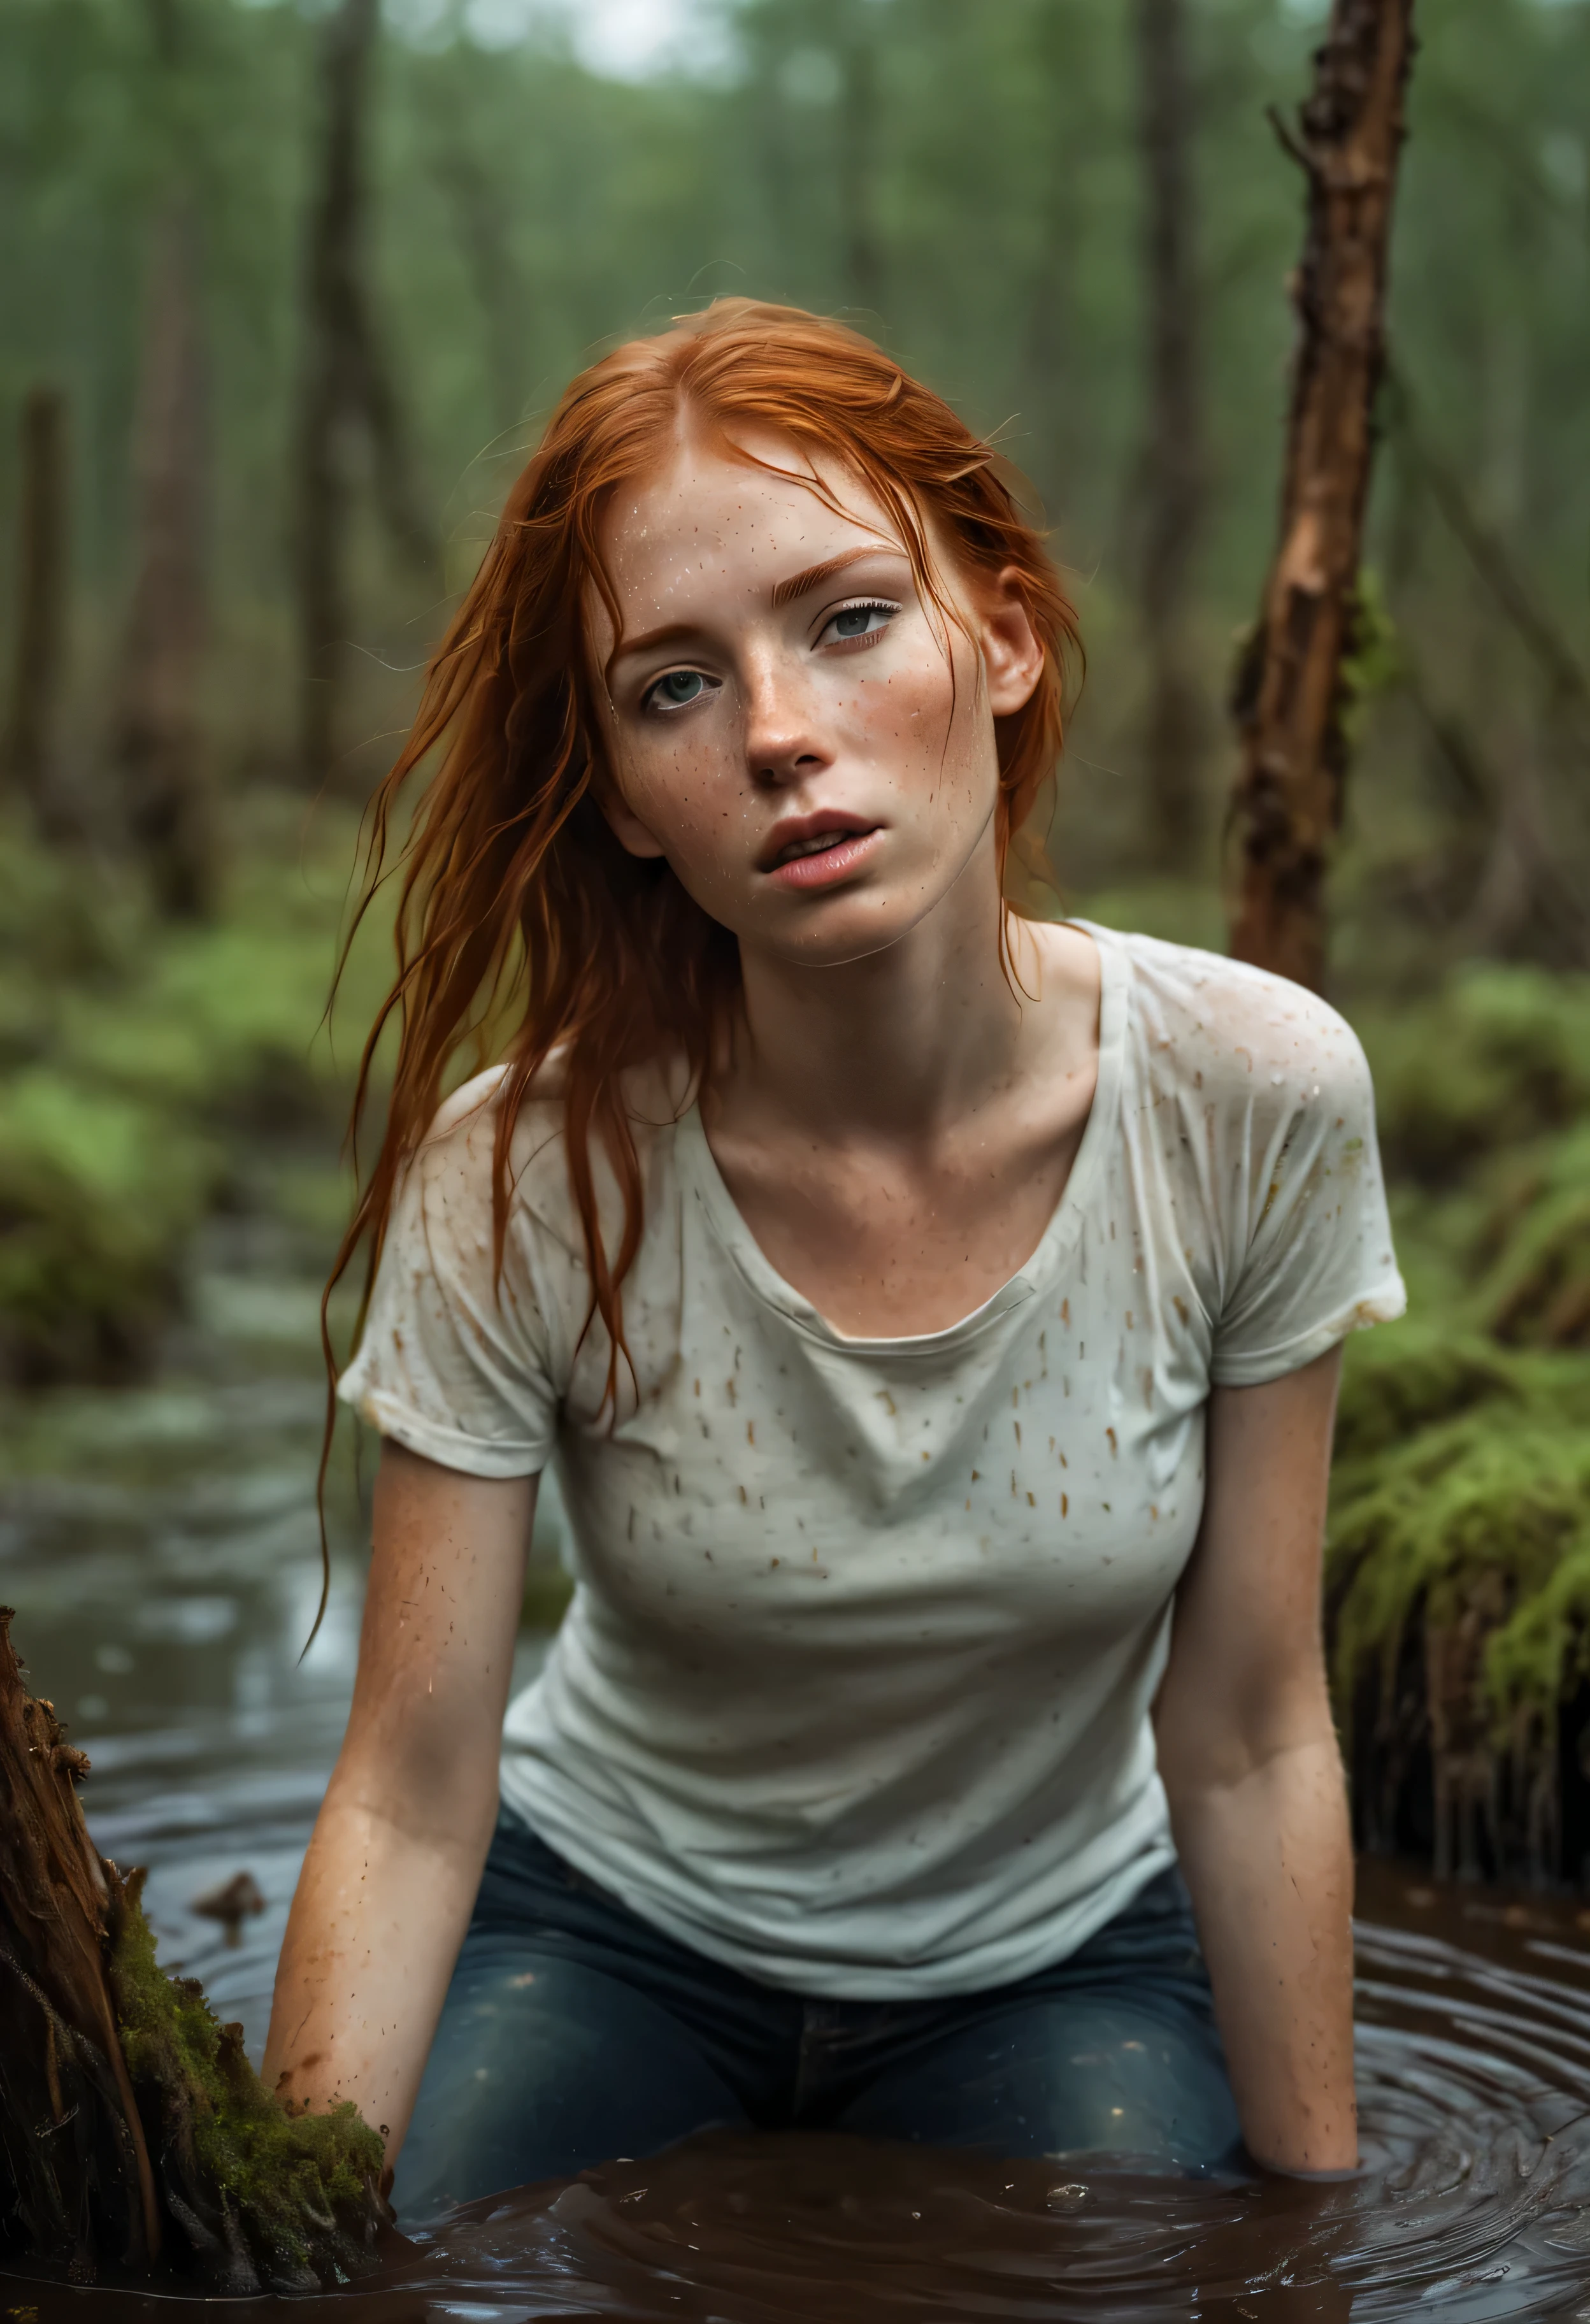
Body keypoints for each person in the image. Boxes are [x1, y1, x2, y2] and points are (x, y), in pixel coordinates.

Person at [262, 300, 1405, 2221]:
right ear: (625, 794)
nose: (782, 733)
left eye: (850, 620)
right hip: (604, 1924)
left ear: (1008, 636)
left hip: (1056, 1962)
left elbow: (1252, 1725)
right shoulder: (528, 1169)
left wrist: (1328, 2236)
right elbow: (409, 1780)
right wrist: (291, 2238)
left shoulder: (1252, 1095)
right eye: (674, 687)